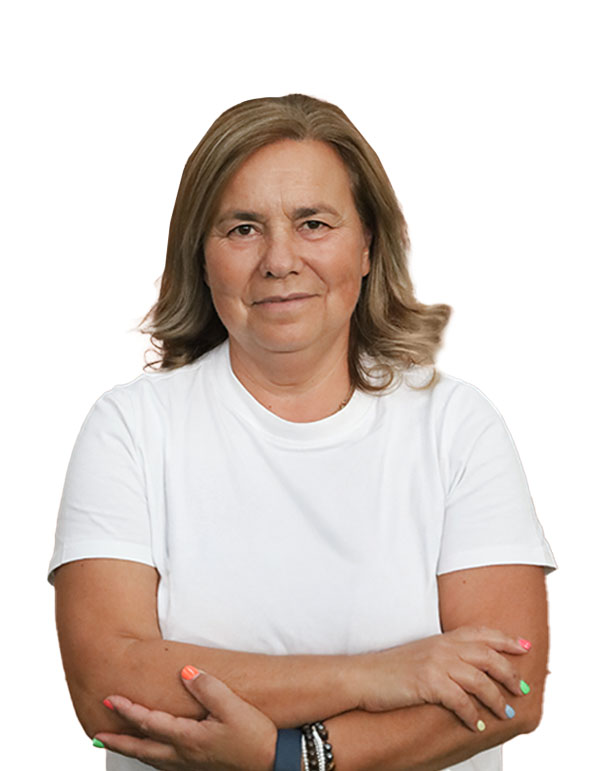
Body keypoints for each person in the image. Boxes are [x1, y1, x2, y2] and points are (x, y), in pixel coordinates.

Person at [49, 93, 556, 771]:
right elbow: (108, 685)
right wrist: (379, 675)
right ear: (201, 256)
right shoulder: (131, 429)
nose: (279, 260)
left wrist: (287, 757)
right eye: (242, 229)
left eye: (313, 223)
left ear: (369, 244)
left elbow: (512, 691)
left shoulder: (457, 425)